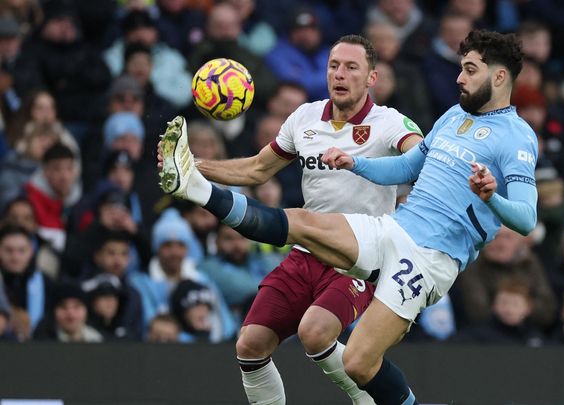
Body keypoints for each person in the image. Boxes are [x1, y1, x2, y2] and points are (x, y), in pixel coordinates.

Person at [159, 29, 536, 404]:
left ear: (499, 77)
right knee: (299, 230)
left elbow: (525, 218)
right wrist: (356, 164)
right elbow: (407, 166)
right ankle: (194, 187)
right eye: (333, 65)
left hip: (430, 259)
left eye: (470, 70)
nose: (459, 77)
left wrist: (491, 198)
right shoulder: (453, 116)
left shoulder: (516, 138)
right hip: (390, 230)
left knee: (357, 363)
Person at [160, 34, 423, 405]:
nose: (340, 75)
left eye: (351, 67)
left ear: (371, 78)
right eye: (334, 66)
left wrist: (364, 164)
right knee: (250, 345)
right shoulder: (304, 118)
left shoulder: (389, 122)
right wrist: (195, 167)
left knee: (315, 332)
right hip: (307, 251)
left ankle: (366, 399)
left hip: (360, 260)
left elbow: (419, 158)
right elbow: (255, 170)